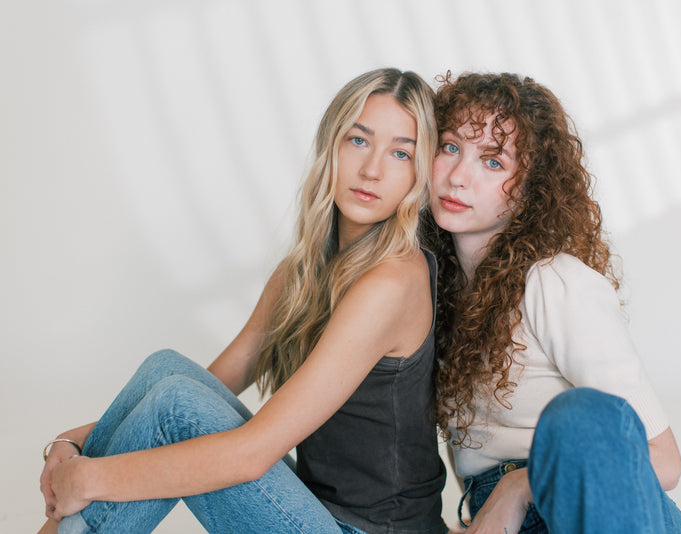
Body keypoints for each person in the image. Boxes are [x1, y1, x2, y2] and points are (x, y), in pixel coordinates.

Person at [38, 67, 448, 534]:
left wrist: (89, 478)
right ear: (330, 145)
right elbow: (207, 386)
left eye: (400, 153)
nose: (372, 169)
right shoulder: (303, 272)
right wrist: (70, 443)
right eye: (358, 140)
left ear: (419, 173)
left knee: (175, 404)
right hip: (315, 512)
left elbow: (251, 454)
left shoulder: (393, 282)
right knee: (166, 370)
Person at [421, 72, 681, 533]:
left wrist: (517, 489)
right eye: (450, 147)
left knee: (577, 417)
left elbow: (665, 464)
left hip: (591, 509)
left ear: (531, 189)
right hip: (500, 517)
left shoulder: (554, 282)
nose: (457, 176)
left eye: (493, 162)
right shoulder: (432, 290)